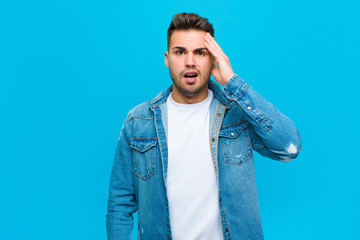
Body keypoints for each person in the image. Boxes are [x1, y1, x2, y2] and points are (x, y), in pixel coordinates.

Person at [106, 12, 302, 240]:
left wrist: (233, 83)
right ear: (167, 58)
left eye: (200, 53)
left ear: (213, 60)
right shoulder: (138, 121)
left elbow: (289, 147)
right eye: (181, 52)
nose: (190, 61)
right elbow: (119, 203)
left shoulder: (236, 115)